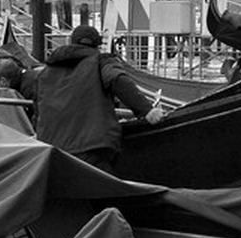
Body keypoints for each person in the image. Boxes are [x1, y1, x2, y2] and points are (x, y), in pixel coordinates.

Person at [18, 24, 165, 172]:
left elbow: (38, 112)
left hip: (52, 150)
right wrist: (147, 111)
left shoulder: (43, 74)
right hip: (92, 147)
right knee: (102, 190)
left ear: (71, 42)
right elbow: (117, 80)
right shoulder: (101, 61)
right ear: (97, 46)